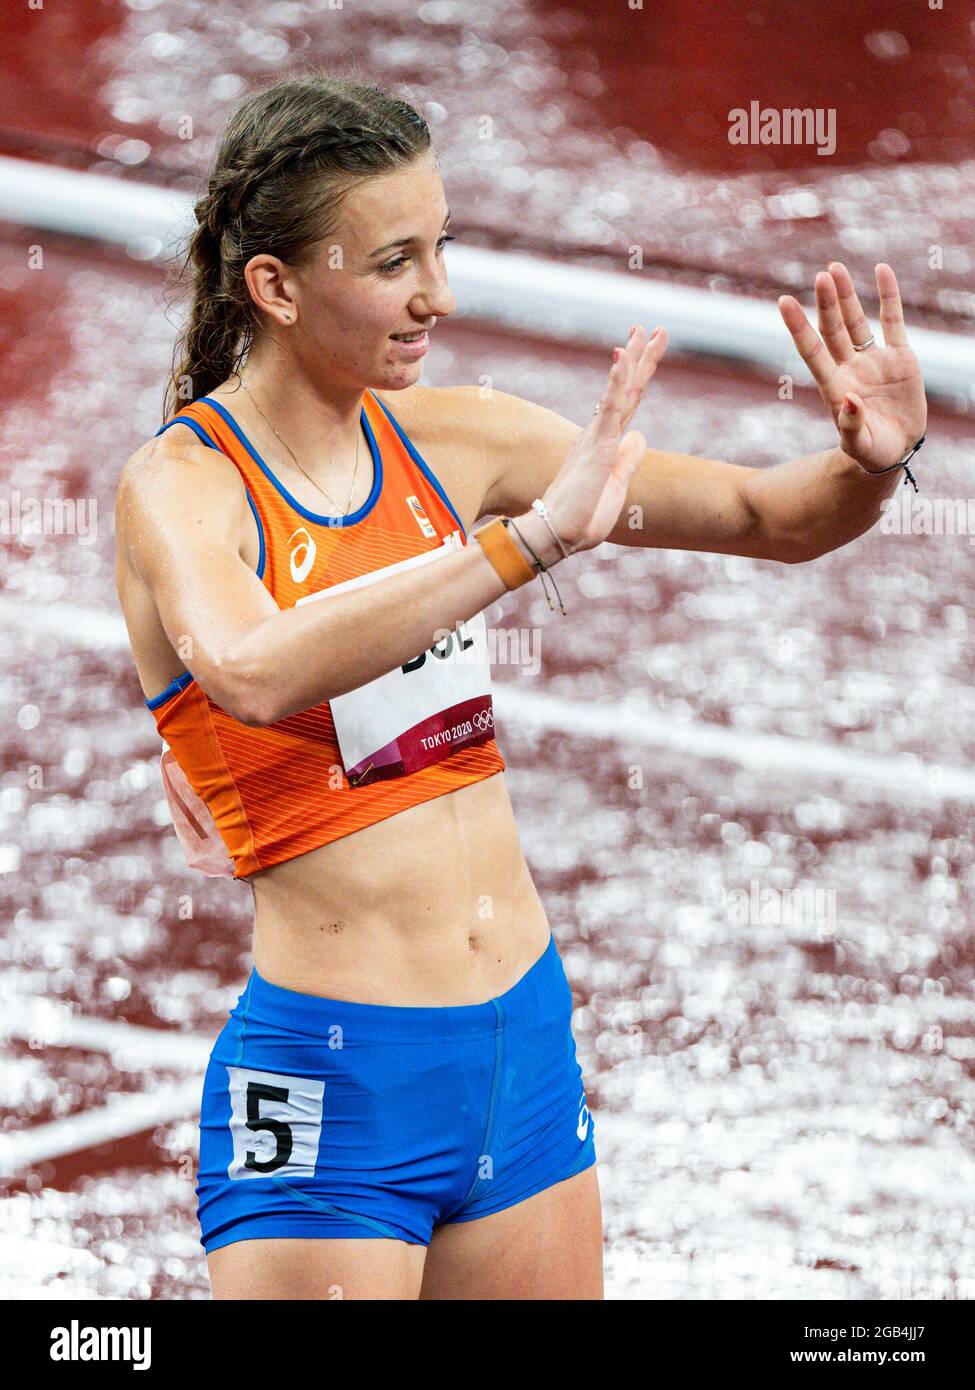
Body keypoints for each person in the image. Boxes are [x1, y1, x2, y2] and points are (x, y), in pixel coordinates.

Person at [114, 72, 927, 1300]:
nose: (437, 293)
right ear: (275, 287)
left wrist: (873, 462)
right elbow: (254, 668)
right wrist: (523, 543)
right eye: (394, 261)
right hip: (337, 1086)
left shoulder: (460, 439)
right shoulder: (183, 487)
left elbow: (769, 515)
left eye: (442, 246)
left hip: (523, 1055)